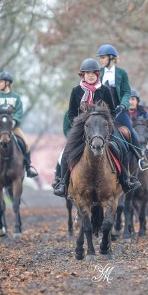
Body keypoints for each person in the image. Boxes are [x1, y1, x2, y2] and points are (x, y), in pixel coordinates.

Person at [52, 58, 140, 197]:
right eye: (87, 73)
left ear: (98, 74)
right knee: (66, 152)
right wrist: (78, 124)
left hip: (102, 129)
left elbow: (111, 111)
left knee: (122, 147)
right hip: (83, 130)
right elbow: (72, 113)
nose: (90, 75)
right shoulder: (76, 91)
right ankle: (63, 183)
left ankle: (125, 180)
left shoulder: (104, 90)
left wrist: (106, 124)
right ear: (83, 75)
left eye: (93, 73)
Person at [97, 44, 148, 171]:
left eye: (103, 57)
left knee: (131, 132)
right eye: (100, 58)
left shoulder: (122, 73)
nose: (101, 60)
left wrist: (124, 104)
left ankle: (140, 158)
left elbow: (126, 92)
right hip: (103, 111)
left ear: (111, 58)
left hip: (119, 110)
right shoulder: (99, 73)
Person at [0, 71, 38, 179]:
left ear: (7, 83)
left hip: (14, 128)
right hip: (0, 129)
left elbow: (19, 112)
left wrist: (14, 121)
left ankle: (28, 168)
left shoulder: (16, 97)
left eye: (0, 81)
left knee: (26, 145)